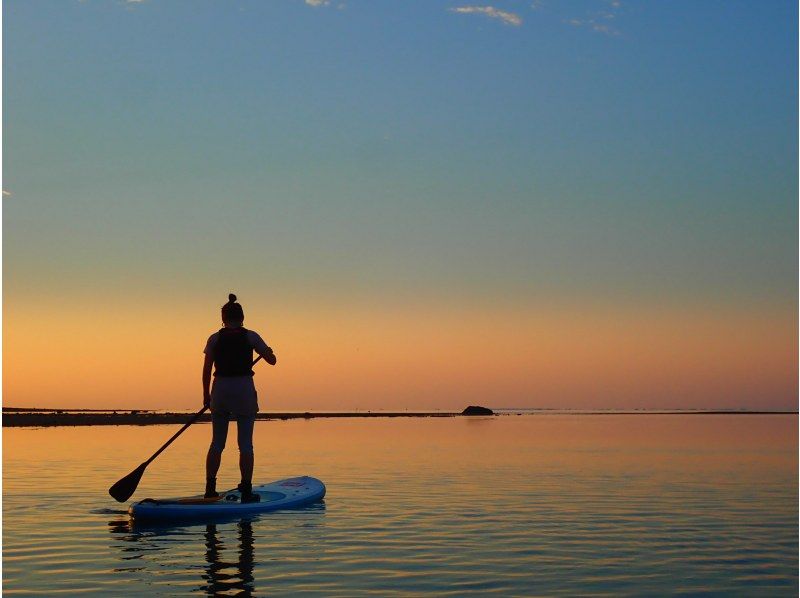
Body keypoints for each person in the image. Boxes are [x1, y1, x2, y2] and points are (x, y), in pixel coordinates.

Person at [202, 293, 276, 502]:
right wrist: (269, 352)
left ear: (223, 319)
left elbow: (207, 370)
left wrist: (206, 395)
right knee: (245, 445)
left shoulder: (214, 338)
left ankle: (210, 487)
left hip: (220, 390)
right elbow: (273, 361)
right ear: (242, 318)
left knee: (217, 443)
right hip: (243, 389)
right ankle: (246, 489)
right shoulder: (252, 336)